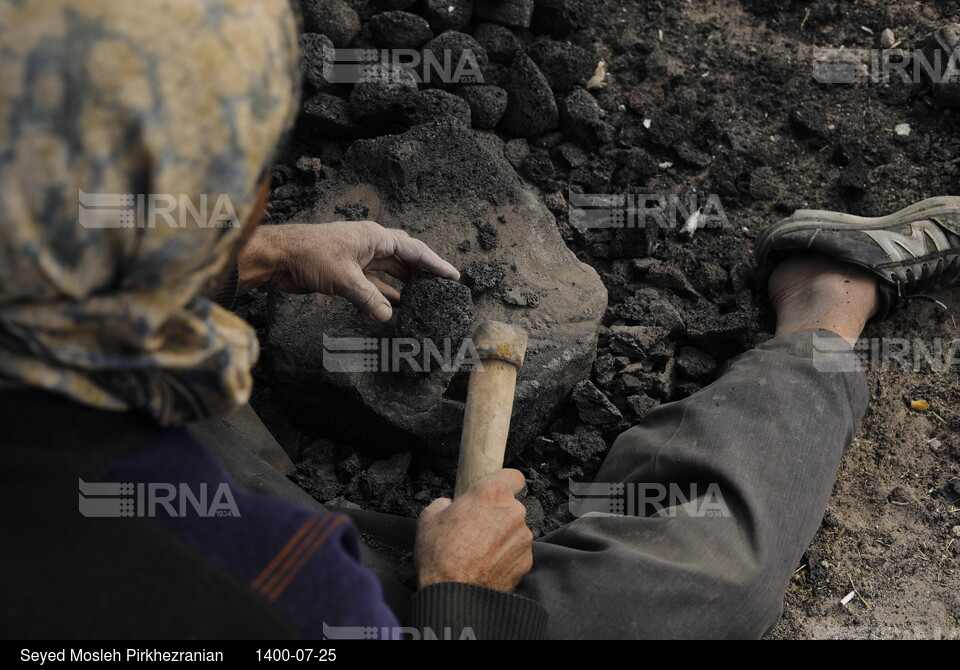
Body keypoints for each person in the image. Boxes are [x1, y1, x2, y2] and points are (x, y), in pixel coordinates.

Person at [4, 0, 959, 641]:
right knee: (697, 583)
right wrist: (459, 595)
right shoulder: (262, 587)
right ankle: (822, 316)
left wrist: (253, 252)